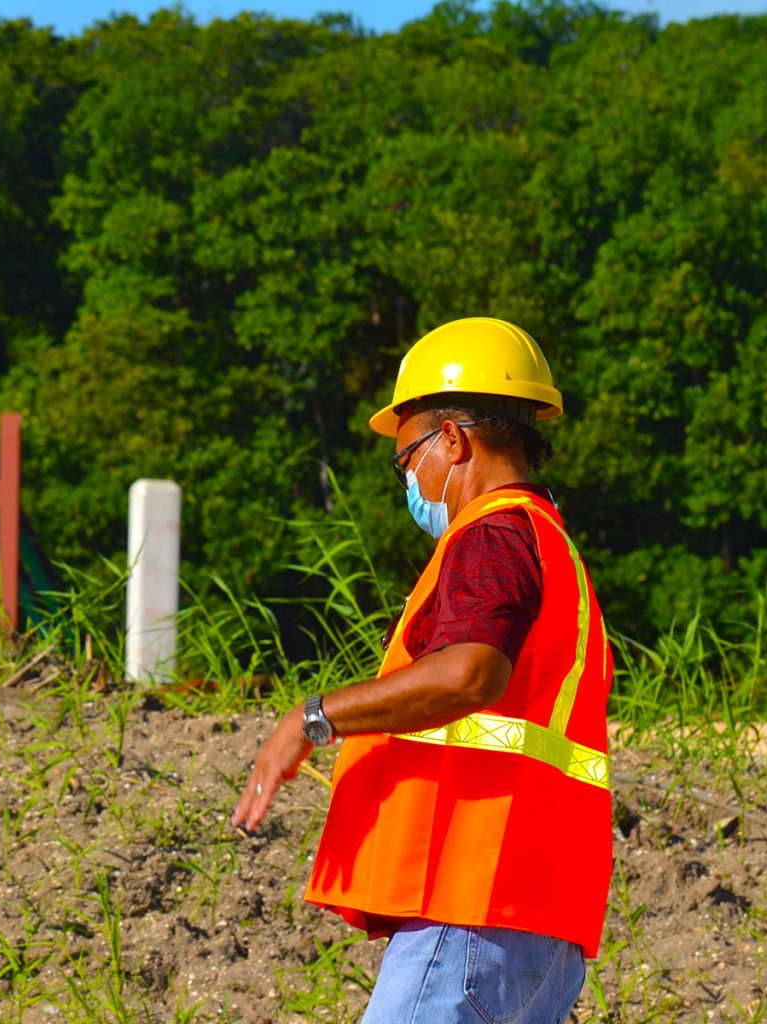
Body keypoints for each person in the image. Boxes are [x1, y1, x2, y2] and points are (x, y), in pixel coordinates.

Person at [233, 317, 613, 1024]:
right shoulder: (549, 546)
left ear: (454, 440)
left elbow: (469, 675)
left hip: (473, 904)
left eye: (406, 459)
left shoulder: (492, 534)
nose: (409, 479)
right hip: (535, 917)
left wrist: (313, 718)